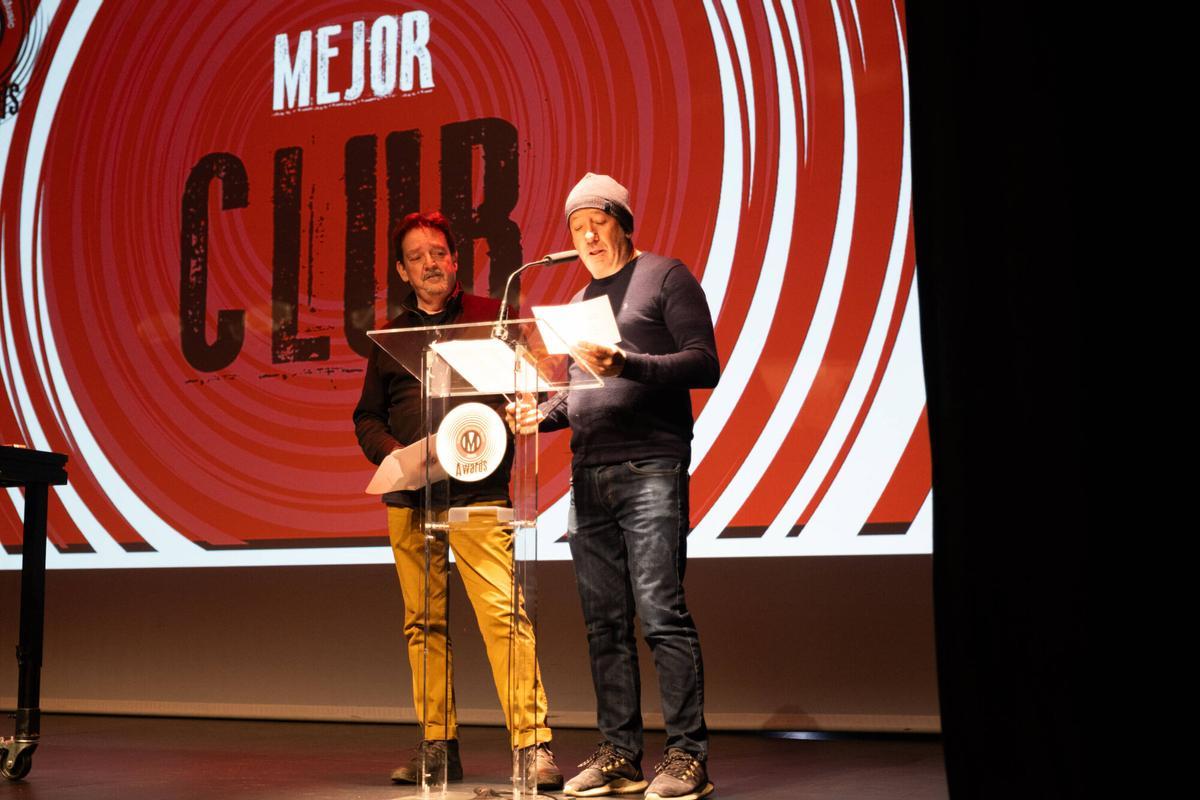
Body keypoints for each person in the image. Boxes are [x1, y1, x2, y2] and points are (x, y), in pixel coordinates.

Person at [508, 174, 719, 800]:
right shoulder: (579, 300)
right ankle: (621, 755)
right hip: (587, 473)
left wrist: (628, 361)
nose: (588, 234)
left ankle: (687, 757)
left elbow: (703, 361)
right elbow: (582, 393)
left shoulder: (666, 276)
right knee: (604, 624)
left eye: (598, 221)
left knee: (660, 613)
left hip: (650, 466)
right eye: (576, 226)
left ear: (623, 223)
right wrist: (540, 415)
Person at [354, 211, 561, 790]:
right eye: (417, 255)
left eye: (438, 252)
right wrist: (397, 455)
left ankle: (534, 746)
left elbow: (540, 382)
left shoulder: (493, 317)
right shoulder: (391, 338)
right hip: (409, 494)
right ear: (402, 270)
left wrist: (523, 402)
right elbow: (366, 416)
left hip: (479, 487)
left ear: (454, 260)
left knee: (502, 614)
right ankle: (438, 747)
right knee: (423, 624)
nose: (430, 262)